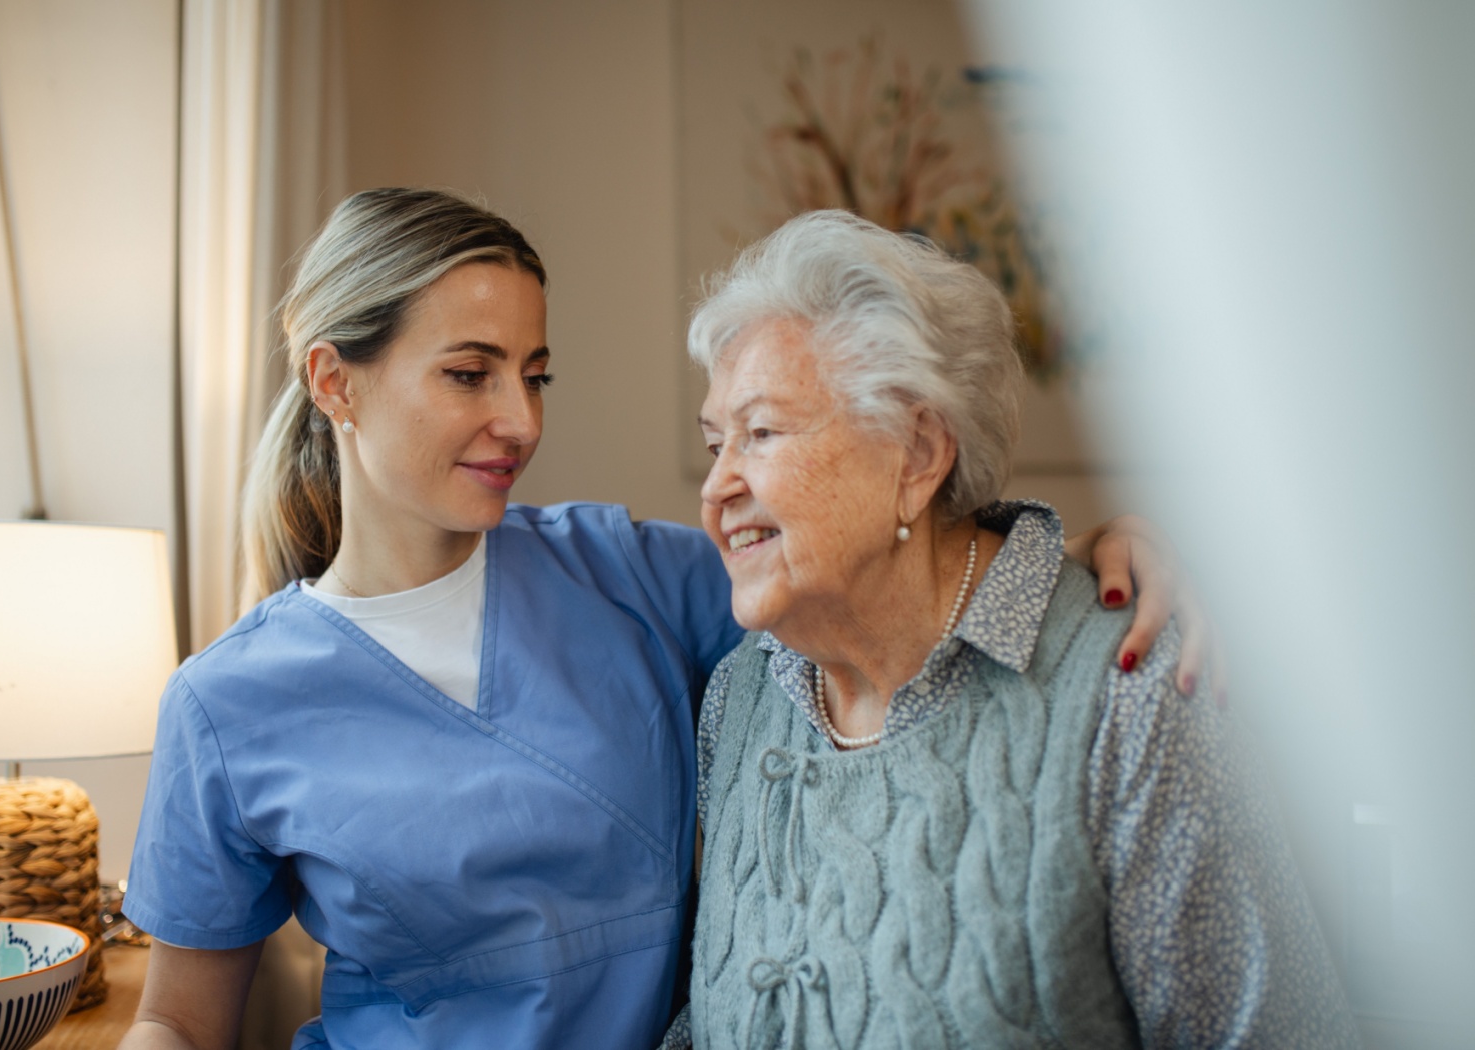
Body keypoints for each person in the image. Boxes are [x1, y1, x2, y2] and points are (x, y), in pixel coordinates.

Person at [118, 189, 1210, 1050]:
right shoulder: (227, 704)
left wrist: (1073, 558)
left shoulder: (626, 574)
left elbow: (885, 583)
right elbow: (178, 1019)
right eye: (469, 373)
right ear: (334, 383)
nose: (519, 420)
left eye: (535, 376)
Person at [666, 210, 1358, 1049]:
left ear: (918, 453)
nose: (716, 487)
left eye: (762, 433)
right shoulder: (742, 697)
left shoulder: (1126, 693)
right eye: (714, 443)